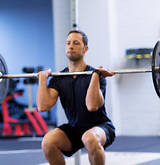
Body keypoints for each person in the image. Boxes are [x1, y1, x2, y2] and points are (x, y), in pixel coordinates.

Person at [36, 30, 116, 165]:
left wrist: (96, 75)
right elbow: (43, 106)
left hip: (100, 128)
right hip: (75, 129)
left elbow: (92, 106)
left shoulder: (95, 75)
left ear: (85, 48)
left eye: (76, 43)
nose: (71, 46)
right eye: (68, 43)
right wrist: (42, 80)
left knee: (90, 138)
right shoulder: (59, 79)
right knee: (48, 142)